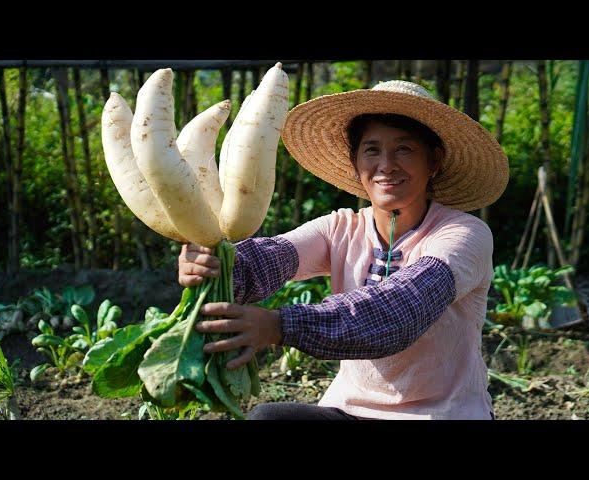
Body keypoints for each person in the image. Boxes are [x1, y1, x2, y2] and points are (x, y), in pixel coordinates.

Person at [178, 80, 509, 420]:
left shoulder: (464, 234)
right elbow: (269, 260)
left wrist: (281, 325)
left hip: (442, 414)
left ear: (434, 160)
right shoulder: (341, 228)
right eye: (371, 150)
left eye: (404, 149)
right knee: (269, 417)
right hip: (350, 411)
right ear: (355, 162)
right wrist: (214, 265)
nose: (386, 165)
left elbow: (401, 310)